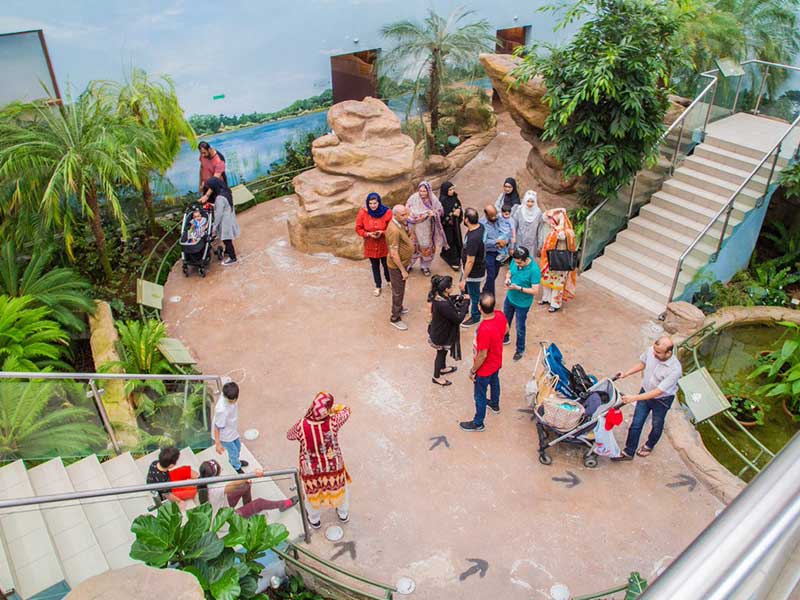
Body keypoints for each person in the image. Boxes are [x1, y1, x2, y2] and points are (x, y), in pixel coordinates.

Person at [286, 392, 351, 529]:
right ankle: (343, 514)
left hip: (311, 471)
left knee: (311, 496)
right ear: (326, 410)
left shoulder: (301, 426)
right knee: (340, 489)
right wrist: (333, 409)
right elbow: (347, 410)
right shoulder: (333, 422)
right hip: (333, 467)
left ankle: (314, 520)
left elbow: (289, 435)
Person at [612, 336, 683, 461]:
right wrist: (626, 373)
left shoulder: (675, 370)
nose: (654, 354)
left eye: (658, 353)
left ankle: (650, 445)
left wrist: (634, 398)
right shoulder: (651, 351)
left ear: (669, 353)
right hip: (645, 391)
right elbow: (643, 363)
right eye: (654, 350)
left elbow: (658, 392)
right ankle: (629, 451)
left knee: (656, 424)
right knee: (636, 423)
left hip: (662, 400)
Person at [460, 293, 509, 432]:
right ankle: (494, 404)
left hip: (484, 368)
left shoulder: (484, 329)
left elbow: (482, 355)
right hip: (496, 360)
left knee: (479, 395)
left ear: (479, 308)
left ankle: (478, 422)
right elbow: (506, 330)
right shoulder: (499, 315)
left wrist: (473, 370)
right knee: (495, 382)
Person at [197, 459, 298, 517]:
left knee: (245, 485)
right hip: (227, 519)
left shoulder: (202, 481)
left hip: (223, 505)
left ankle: (249, 509)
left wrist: (245, 480)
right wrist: (252, 474)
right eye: (220, 470)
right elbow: (233, 485)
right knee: (260, 502)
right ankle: (284, 504)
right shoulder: (215, 489)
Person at [428, 275, 469, 386]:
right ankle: (436, 377)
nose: (453, 287)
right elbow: (458, 319)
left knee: (443, 352)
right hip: (442, 334)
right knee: (440, 353)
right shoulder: (443, 305)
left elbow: (449, 299)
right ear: (446, 289)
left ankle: (442, 368)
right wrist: (465, 304)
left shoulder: (438, 296)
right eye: (451, 286)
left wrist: (458, 297)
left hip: (440, 331)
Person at [503, 246, 541, 361]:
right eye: (515, 262)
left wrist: (518, 288)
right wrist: (508, 278)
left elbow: (535, 291)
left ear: (526, 259)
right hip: (510, 298)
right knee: (505, 320)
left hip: (522, 303)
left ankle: (520, 349)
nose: (517, 264)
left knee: (520, 327)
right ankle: (505, 337)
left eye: (519, 263)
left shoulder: (534, 270)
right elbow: (510, 272)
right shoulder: (515, 261)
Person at [355, 192, 393, 296]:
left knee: (386, 264)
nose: (373, 206)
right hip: (370, 244)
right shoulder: (363, 212)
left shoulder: (387, 212)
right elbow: (358, 228)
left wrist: (382, 232)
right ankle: (378, 286)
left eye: (375, 203)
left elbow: (392, 228)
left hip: (384, 244)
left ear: (379, 202)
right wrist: (367, 234)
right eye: (370, 203)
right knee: (375, 266)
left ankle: (389, 281)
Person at [406, 181, 447, 276]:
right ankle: (409, 265)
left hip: (426, 229)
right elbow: (407, 210)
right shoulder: (413, 198)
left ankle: (425, 267)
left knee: (426, 247)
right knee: (413, 247)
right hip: (414, 229)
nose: (422, 193)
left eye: (424, 191)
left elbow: (440, 210)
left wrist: (434, 213)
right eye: (420, 191)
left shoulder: (433, 199)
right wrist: (419, 215)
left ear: (428, 190)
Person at [540, 208, 577, 312]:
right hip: (549, 259)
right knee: (547, 279)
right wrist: (559, 209)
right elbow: (544, 216)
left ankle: (555, 303)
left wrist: (559, 228)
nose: (550, 224)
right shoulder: (553, 229)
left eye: (552, 222)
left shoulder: (566, 232)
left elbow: (562, 236)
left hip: (560, 261)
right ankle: (546, 298)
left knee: (557, 283)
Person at [385, 205, 414, 331]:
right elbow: (393, 253)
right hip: (397, 266)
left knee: (401, 288)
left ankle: (400, 307)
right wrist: (403, 270)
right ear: (395, 215)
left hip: (403, 262)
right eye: (403, 215)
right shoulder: (394, 230)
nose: (406, 217)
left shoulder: (400, 224)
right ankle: (395, 317)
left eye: (406, 213)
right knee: (398, 291)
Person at [203, 176, 240, 266]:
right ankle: (227, 251)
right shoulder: (226, 192)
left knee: (226, 240)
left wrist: (214, 227)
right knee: (228, 238)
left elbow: (218, 215)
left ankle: (233, 258)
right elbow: (224, 205)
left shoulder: (219, 198)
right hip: (230, 218)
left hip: (225, 221)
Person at [214, 381, 249, 474]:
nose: (232, 402)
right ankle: (236, 466)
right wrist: (217, 443)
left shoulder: (227, 392)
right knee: (233, 451)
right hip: (225, 436)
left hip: (232, 430)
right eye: (230, 400)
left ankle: (234, 461)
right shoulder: (221, 410)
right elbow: (217, 426)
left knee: (238, 447)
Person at [459, 207, 486, 328]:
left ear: (466, 220)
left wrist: (464, 278)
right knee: (465, 291)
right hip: (470, 270)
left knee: (474, 295)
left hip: (473, 273)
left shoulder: (473, 239)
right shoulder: (480, 227)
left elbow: (470, 261)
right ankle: (464, 308)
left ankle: (475, 316)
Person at [479, 205, 507, 296]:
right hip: (488, 252)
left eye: (495, 215)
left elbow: (505, 229)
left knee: (495, 273)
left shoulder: (499, 218)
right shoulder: (482, 224)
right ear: (486, 215)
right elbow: (483, 241)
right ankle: (490, 296)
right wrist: (496, 241)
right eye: (492, 216)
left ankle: (485, 289)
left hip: (499, 251)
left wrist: (504, 240)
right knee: (491, 274)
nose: (495, 218)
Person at [512, 191, 545, 259]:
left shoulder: (538, 213)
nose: (530, 204)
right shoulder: (519, 211)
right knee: (519, 261)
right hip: (519, 242)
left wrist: (540, 245)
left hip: (532, 244)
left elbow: (540, 230)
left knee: (529, 261)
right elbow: (513, 227)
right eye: (528, 201)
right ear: (524, 200)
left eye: (532, 201)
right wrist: (512, 245)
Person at [439, 181, 463, 271]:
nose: (452, 191)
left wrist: (459, 212)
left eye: (453, 189)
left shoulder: (454, 198)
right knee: (450, 241)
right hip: (447, 228)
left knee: (457, 239)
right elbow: (441, 216)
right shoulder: (442, 202)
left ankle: (446, 253)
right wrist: (453, 214)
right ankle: (454, 260)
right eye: (450, 189)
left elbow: (459, 206)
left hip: (455, 225)